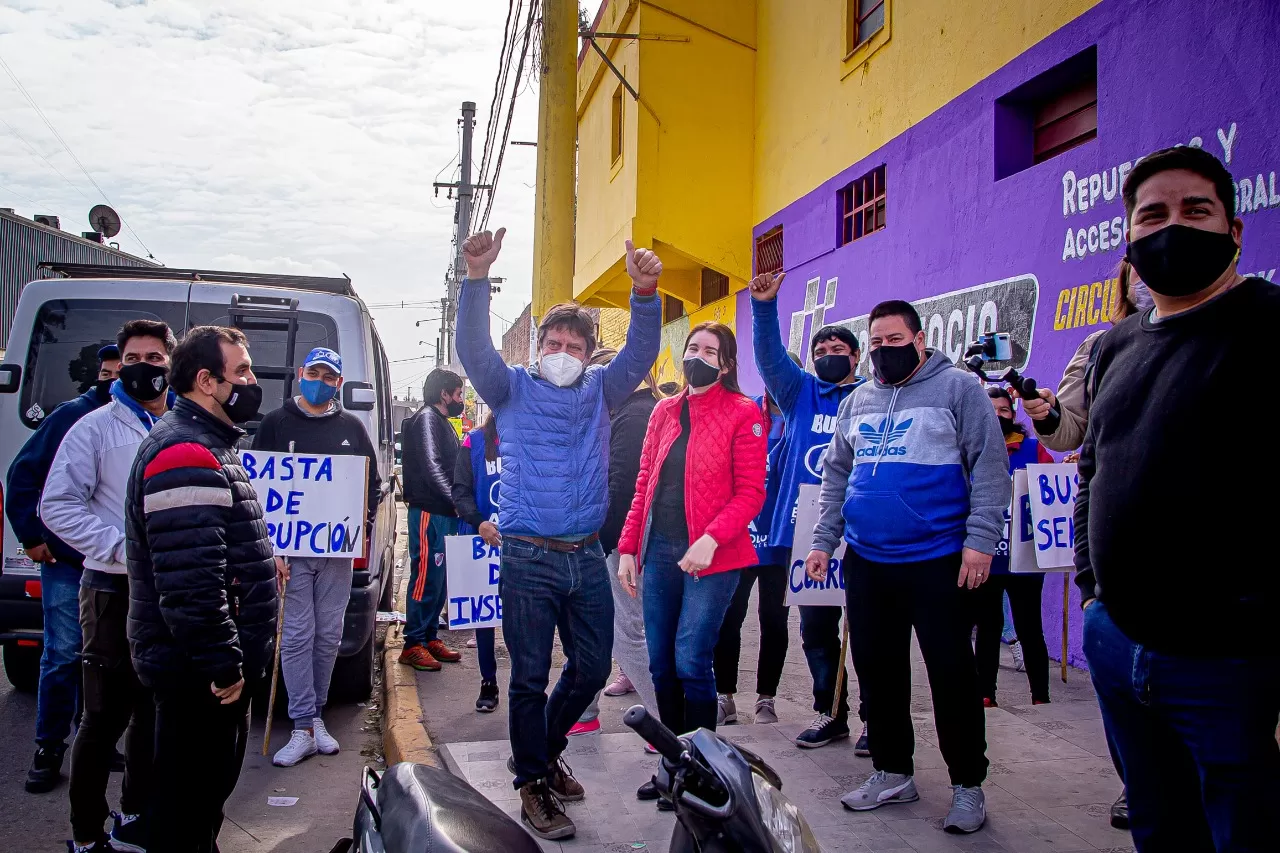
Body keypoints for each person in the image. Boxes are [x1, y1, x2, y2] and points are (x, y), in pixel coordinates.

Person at [1076, 146, 1280, 852]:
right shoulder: (1116, 347)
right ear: (1129, 239)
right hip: (1118, 647)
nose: (1173, 228)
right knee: (1161, 829)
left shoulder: (1269, 325)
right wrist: (1092, 595)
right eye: (1152, 214)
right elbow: (1092, 473)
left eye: (1196, 210)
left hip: (1235, 667)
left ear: (1235, 229)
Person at [456, 227, 661, 841]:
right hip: (526, 556)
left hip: (585, 555)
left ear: (589, 353)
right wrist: (475, 281)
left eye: (574, 344)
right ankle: (533, 787)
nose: (562, 350)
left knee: (593, 667)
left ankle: (537, 757)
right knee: (527, 676)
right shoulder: (511, 387)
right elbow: (474, 351)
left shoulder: (602, 388)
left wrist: (644, 291)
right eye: (553, 340)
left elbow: (640, 354)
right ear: (539, 344)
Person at [805, 299, 1008, 834]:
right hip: (869, 563)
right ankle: (893, 771)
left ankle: (968, 784)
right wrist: (826, 539)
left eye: (895, 341)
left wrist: (981, 541)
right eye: (876, 343)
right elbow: (836, 474)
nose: (883, 351)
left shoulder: (959, 390)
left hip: (939, 560)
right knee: (877, 670)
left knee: (951, 674)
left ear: (920, 341)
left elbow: (990, 463)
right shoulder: (859, 400)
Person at [125, 325, 277, 853]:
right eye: (241, 372)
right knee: (186, 813)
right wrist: (225, 666)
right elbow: (190, 586)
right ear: (206, 381)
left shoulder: (209, 444)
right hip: (201, 678)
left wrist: (259, 562)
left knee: (196, 809)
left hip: (204, 672)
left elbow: (210, 548)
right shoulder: (186, 452)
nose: (253, 382)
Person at [1012, 257, 1147, 828]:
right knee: (1125, 692)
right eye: (1134, 266)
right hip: (1118, 552)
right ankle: (1138, 784)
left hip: (1220, 564)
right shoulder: (1099, 348)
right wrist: (1044, 412)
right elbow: (1070, 430)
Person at [41, 321, 176, 853]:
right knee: (102, 719)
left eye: (156, 357)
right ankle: (86, 832)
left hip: (165, 594)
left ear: (172, 365)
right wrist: (121, 546)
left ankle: (136, 816)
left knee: (151, 714)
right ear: (119, 364)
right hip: (111, 590)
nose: (146, 365)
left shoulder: (179, 428)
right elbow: (56, 506)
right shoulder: (93, 428)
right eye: (135, 356)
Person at [618, 322, 766, 808]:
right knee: (660, 663)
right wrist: (627, 547)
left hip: (715, 556)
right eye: (692, 348)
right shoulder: (664, 411)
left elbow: (751, 493)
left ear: (725, 363)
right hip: (659, 549)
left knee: (689, 659)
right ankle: (672, 762)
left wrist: (710, 538)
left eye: (710, 350)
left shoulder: (745, 413)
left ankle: (702, 769)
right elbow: (644, 483)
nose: (697, 356)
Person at [747, 270, 869, 751]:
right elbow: (770, 356)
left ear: (857, 357)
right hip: (806, 531)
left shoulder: (872, 397)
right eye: (820, 352)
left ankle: (874, 719)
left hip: (860, 528)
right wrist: (763, 306)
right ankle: (829, 710)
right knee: (817, 631)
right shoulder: (798, 393)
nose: (828, 358)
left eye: (838, 352)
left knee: (868, 631)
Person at [252, 346, 381, 767]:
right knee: (295, 636)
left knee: (328, 636)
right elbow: (258, 492)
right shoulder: (275, 424)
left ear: (338, 383)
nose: (321, 382)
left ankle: (316, 716)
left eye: (330, 377)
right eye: (315, 373)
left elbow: (370, 486)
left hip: (337, 554)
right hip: (290, 555)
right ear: (300, 373)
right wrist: (270, 547)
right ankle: (301, 724)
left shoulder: (353, 428)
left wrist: (357, 529)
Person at [6, 344, 119, 795]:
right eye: (111, 372)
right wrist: (32, 536)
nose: (119, 380)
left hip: (116, 565)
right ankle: (49, 748)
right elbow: (23, 474)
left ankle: (97, 739)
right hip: (69, 564)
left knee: (108, 662)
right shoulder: (72, 416)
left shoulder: (147, 419)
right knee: (62, 657)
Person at [571, 348, 661, 737]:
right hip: (625, 538)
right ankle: (584, 709)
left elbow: (624, 485)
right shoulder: (634, 411)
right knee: (598, 627)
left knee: (626, 631)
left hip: (622, 541)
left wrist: (603, 541)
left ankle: (666, 723)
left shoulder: (634, 415)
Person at [712, 361, 796, 727]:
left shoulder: (800, 418)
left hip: (779, 542)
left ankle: (766, 698)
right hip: (740, 537)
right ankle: (724, 696)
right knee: (728, 618)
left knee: (774, 621)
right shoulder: (747, 412)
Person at [973, 386, 1053, 708]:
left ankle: (1040, 696)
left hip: (1025, 561)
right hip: (987, 559)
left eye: (1004, 410)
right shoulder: (968, 449)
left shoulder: (1034, 449)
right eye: (990, 410)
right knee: (988, 629)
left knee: (1030, 628)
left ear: (1013, 415)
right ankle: (985, 694)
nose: (997, 416)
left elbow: (1052, 490)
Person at [398, 368, 464, 671]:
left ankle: (429, 636)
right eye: (458, 393)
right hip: (429, 511)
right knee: (425, 574)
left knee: (440, 579)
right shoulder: (426, 418)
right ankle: (413, 643)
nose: (460, 399)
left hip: (445, 512)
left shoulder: (441, 421)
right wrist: (456, 500)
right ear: (444, 394)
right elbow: (432, 465)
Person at [450, 413, 503, 713]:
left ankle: (528, 685)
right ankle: (489, 681)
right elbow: (460, 490)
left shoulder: (532, 435)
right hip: (481, 540)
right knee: (485, 618)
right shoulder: (473, 441)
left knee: (528, 619)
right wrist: (479, 521)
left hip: (523, 542)